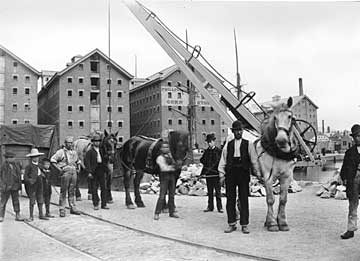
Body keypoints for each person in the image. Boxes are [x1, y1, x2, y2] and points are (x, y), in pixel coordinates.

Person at [218, 120, 258, 234]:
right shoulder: (228, 145)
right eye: (236, 131)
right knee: (230, 198)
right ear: (233, 131)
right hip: (231, 172)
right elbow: (223, 159)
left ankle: (244, 224)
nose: (238, 132)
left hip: (243, 172)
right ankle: (231, 224)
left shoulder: (248, 144)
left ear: (243, 131)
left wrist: (257, 172)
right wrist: (221, 174)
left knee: (243, 198)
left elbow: (254, 160)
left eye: (240, 130)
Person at [51, 136, 81, 217]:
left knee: (72, 191)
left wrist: (78, 168)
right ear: (65, 143)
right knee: (63, 191)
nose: (70, 144)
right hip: (65, 172)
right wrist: (59, 169)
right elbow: (53, 160)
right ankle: (62, 209)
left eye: (72, 142)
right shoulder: (60, 152)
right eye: (69, 142)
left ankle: (73, 208)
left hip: (73, 172)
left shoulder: (74, 152)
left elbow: (78, 161)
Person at [340, 124, 360, 239]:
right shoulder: (349, 153)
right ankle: (351, 230)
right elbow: (344, 169)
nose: (357, 138)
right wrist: (344, 179)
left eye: (359, 136)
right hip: (354, 180)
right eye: (355, 136)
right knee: (352, 205)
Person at [154, 142, 180, 220]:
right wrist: (174, 168)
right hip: (164, 177)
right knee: (162, 196)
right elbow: (163, 168)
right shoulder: (160, 158)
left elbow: (175, 164)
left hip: (172, 177)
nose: (166, 149)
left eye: (167, 147)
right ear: (161, 149)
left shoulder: (170, 156)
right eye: (164, 147)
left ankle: (172, 212)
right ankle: (157, 213)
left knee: (172, 195)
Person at [84, 134, 109, 210]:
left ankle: (104, 204)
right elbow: (87, 162)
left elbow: (105, 160)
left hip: (101, 169)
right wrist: (89, 172)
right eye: (95, 141)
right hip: (94, 170)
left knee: (104, 187)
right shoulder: (90, 152)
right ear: (93, 142)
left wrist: (106, 169)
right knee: (94, 188)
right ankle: (96, 203)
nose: (97, 143)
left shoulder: (102, 151)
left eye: (98, 141)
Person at [24, 148, 49, 221]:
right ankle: (31, 216)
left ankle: (41, 214)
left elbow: (44, 173)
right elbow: (25, 177)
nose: (36, 158)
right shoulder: (29, 166)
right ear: (31, 158)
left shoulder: (40, 166)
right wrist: (30, 181)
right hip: (33, 185)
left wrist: (44, 175)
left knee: (40, 198)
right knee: (32, 200)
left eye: (37, 156)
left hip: (40, 184)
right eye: (34, 157)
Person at [200, 133, 223, 213]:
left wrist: (221, 172)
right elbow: (202, 160)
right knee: (210, 191)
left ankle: (220, 207)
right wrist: (203, 173)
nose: (209, 143)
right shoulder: (206, 151)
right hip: (209, 175)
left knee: (218, 191)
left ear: (214, 142)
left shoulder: (219, 151)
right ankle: (210, 207)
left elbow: (220, 162)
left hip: (216, 174)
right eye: (208, 142)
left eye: (210, 142)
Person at [0, 151, 25, 222]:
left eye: (13, 157)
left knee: (16, 201)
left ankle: (18, 215)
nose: (13, 159)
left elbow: (19, 174)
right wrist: (2, 185)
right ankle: (1, 216)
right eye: (11, 157)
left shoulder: (16, 165)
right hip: (6, 187)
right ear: (6, 159)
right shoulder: (3, 166)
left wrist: (19, 186)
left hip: (15, 186)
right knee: (3, 202)